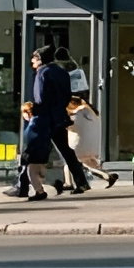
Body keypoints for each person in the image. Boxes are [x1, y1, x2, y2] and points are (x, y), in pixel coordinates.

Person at [31, 46, 90, 194]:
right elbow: (67, 96)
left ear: (40, 59)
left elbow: (41, 99)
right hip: (60, 117)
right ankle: (81, 182)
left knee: (32, 151)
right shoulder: (62, 72)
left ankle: (25, 184)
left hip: (45, 119)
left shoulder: (42, 73)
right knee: (67, 152)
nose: (32, 61)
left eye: (34, 58)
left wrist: (35, 113)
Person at [54, 96, 117, 192]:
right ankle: (69, 182)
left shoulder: (78, 113)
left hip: (78, 144)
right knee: (81, 163)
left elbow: (71, 125)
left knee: (70, 161)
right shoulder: (93, 112)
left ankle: (69, 183)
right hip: (93, 144)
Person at [3, 101, 52, 201]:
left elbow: (31, 140)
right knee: (39, 172)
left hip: (35, 154)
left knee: (32, 172)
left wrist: (27, 153)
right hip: (42, 152)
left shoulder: (33, 125)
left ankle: (40, 191)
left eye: (23, 113)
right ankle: (42, 188)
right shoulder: (40, 122)